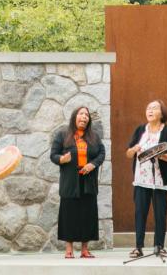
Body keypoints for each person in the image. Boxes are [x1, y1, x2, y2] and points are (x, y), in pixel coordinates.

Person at [50, 106, 105, 259]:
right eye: (81, 114)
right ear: (75, 116)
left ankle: (85, 250)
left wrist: (92, 164)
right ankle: (69, 249)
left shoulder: (94, 136)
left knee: (87, 214)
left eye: (86, 115)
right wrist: (62, 159)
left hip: (88, 180)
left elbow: (101, 152)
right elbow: (53, 154)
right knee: (70, 215)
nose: (84, 117)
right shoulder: (63, 135)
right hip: (70, 181)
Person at [126, 99, 167, 258]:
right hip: (141, 179)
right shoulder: (141, 130)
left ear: (162, 113)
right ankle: (138, 247)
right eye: (148, 108)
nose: (150, 110)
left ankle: (159, 246)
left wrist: (161, 154)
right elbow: (128, 154)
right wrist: (134, 149)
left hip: (160, 180)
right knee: (140, 212)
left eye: (154, 108)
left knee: (160, 213)